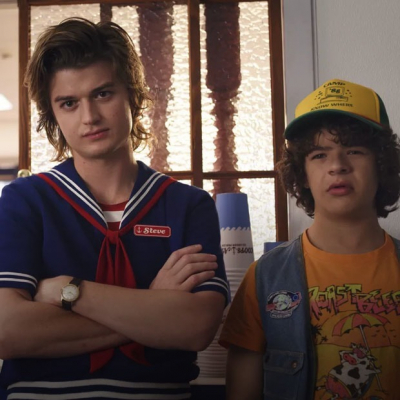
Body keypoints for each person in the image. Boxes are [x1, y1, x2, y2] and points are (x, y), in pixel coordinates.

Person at [0, 17, 229, 399]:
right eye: (69, 103)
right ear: (53, 114)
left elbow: (196, 328)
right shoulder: (25, 200)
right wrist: (154, 307)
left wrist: (69, 293)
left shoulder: (188, 205)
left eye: (103, 94)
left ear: (133, 95)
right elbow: (7, 332)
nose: (89, 117)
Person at [219, 78, 400, 400]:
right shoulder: (265, 277)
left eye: (354, 151)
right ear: (302, 173)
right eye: (319, 155)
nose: (337, 166)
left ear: (381, 165)